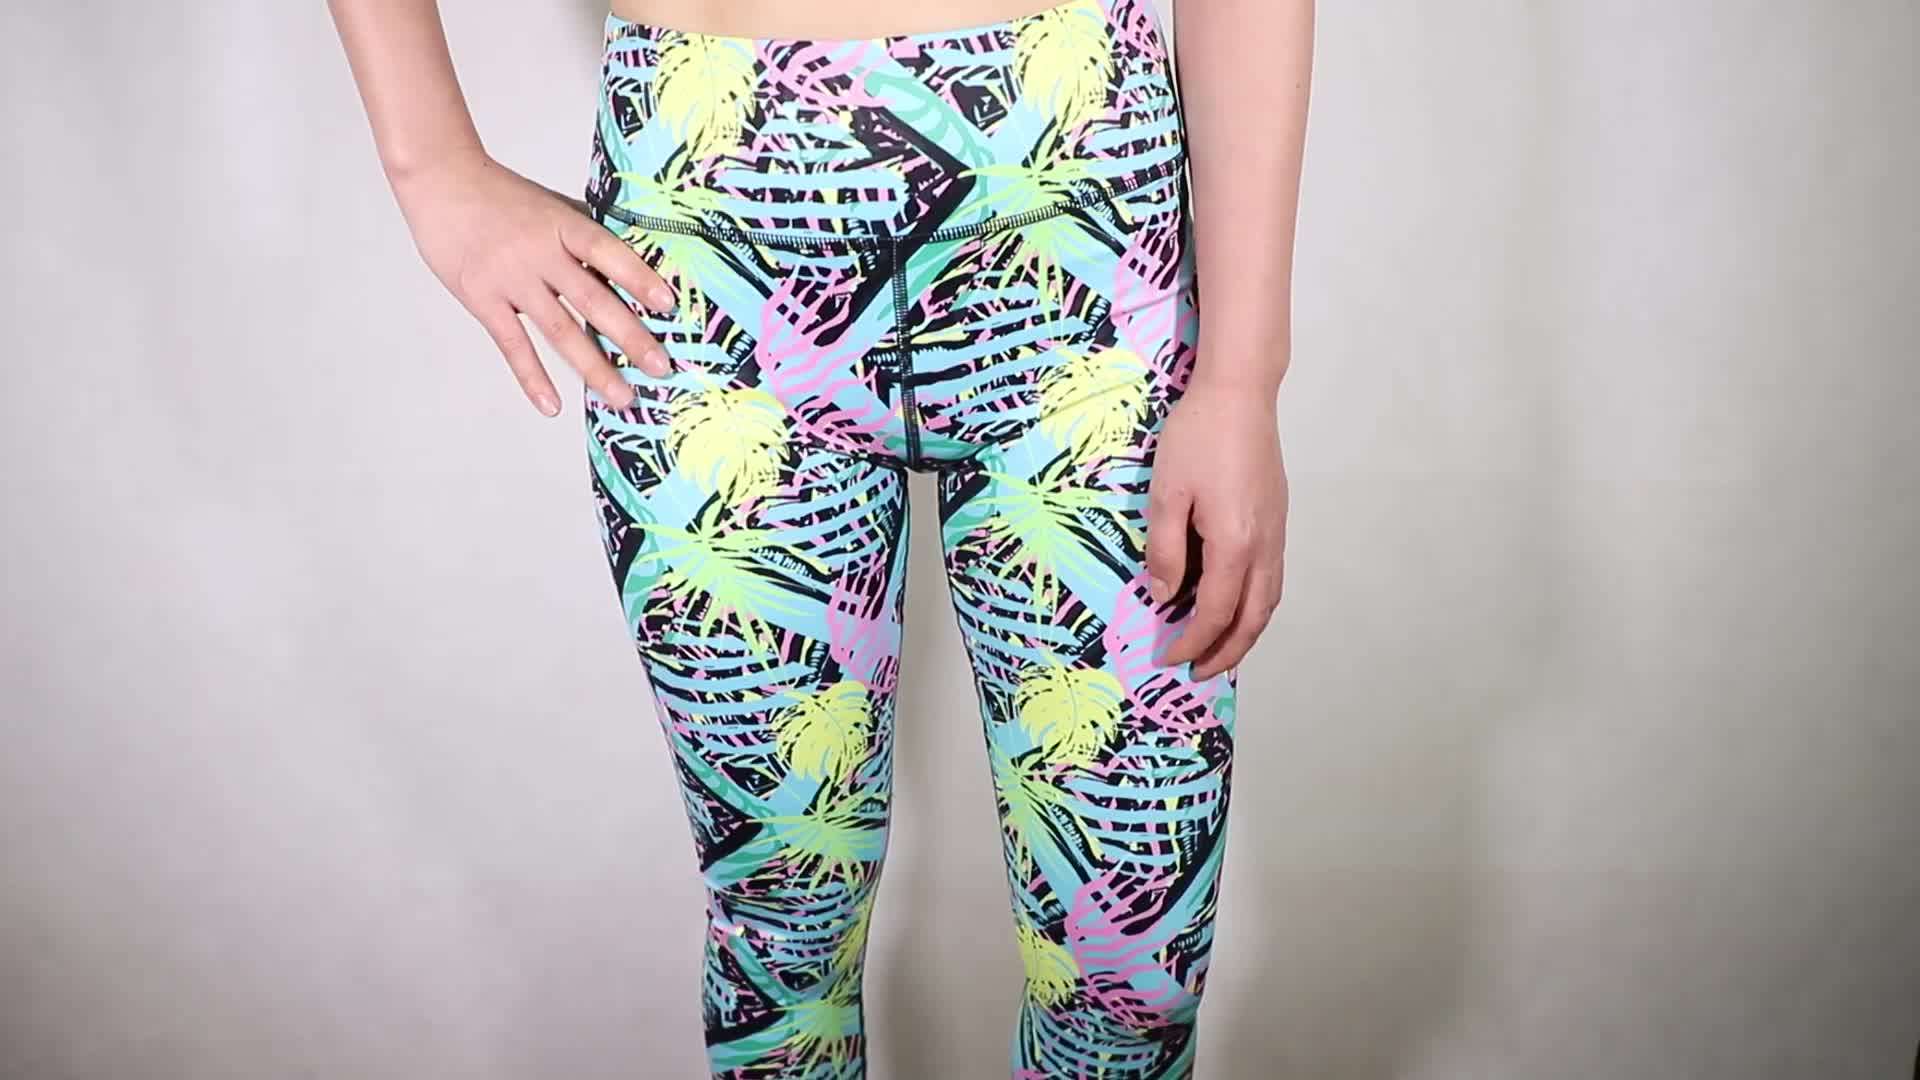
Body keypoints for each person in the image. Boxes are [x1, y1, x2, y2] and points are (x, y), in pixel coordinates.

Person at [327, 0, 1310, 1074]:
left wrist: (1242, 377)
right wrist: (430, 162)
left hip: (1080, 240)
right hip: (709, 244)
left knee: (1134, 966)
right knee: (783, 941)